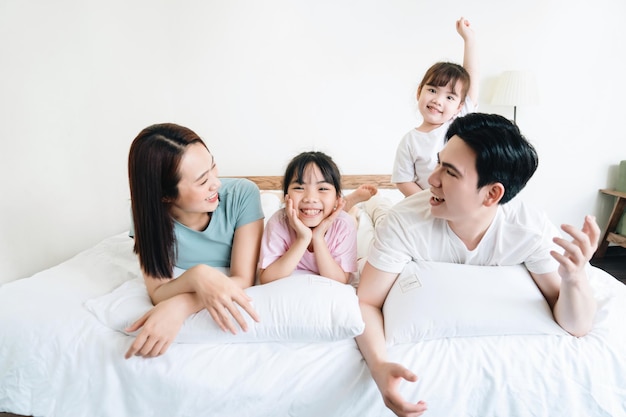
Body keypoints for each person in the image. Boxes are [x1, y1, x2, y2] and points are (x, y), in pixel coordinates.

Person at [356, 113, 599, 417]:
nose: (431, 179)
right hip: (394, 222)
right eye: (438, 162)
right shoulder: (403, 222)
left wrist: (575, 280)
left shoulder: (529, 231)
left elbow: (576, 325)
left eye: (450, 172)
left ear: (493, 194)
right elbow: (366, 301)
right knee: (376, 211)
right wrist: (378, 364)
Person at [125, 123, 264, 359]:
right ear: (165, 195)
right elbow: (158, 290)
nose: (216, 183)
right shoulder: (147, 216)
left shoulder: (243, 194)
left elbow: (243, 278)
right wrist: (198, 275)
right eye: (202, 181)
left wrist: (181, 306)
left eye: (213, 167)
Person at [392, 16, 479, 197]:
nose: (438, 100)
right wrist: (430, 200)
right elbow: (403, 180)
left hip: (461, 201)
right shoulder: (410, 141)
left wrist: (468, 40)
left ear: (459, 107)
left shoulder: (457, 123)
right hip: (429, 204)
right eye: (432, 90)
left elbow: (471, 77)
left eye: (449, 97)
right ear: (419, 92)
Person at [258, 151, 358, 284]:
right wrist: (303, 238)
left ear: (337, 197)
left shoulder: (344, 224)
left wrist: (318, 237)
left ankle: (353, 209)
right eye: (299, 188)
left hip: (340, 218)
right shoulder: (278, 222)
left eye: (322, 188)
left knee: (351, 220)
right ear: (286, 196)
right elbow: (266, 278)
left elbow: (340, 280)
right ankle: (271, 195)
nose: (310, 198)